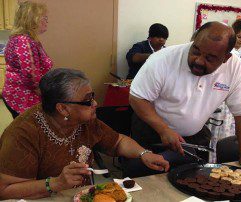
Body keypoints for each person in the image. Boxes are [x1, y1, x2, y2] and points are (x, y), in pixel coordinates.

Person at [0, 68, 169, 199]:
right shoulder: (23, 133)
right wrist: (55, 183)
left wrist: (143, 153)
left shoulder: (85, 120)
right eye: (88, 100)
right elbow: (5, 190)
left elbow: (117, 141)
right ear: (63, 108)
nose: (95, 103)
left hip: (82, 196)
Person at [129, 22, 241, 176]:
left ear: (226, 58)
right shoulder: (163, 59)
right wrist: (163, 129)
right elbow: (137, 98)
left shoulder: (236, 70)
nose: (199, 60)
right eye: (195, 51)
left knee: (191, 182)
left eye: (210, 58)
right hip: (151, 132)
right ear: (194, 40)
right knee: (148, 185)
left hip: (194, 138)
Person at [207, 19, 241, 163]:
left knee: (228, 131)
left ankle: (224, 159)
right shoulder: (225, 49)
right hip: (220, 92)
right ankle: (210, 159)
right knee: (214, 131)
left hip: (236, 94)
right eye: (239, 37)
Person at [2, 1, 53, 119]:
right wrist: (42, 91)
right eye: (44, 18)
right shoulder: (23, 41)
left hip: (19, 94)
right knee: (27, 131)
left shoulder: (25, 39)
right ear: (33, 19)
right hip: (22, 96)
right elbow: (30, 73)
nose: (47, 21)